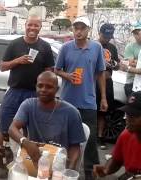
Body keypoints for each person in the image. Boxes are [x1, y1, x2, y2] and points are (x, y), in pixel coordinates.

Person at [0, 15, 55, 177]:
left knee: (32, 132)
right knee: (5, 128)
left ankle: (29, 164)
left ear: (40, 28)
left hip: (34, 95)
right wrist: (18, 61)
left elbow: (50, 70)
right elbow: (2, 67)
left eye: (36, 26)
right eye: (30, 25)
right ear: (25, 25)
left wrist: (45, 87)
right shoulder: (15, 44)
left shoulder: (45, 47)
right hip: (14, 91)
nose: (33, 28)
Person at [55, 16, 107, 179]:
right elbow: (56, 70)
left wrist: (103, 98)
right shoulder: (65, 48)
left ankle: (90, 173)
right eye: (76, 28)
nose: (78, 31)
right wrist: (67, 76)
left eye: (82, 28)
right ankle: (63, 169)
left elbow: (100, 74)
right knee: (64, 137)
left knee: (90, 140)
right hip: (67, 101)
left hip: (88, 101)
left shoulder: (96, 48)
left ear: (88, 30)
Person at [9, 71, 86, 169]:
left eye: (49, 87)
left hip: (58, 164)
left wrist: (68, 170)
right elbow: (12, 129)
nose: (43, 90)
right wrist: (25, 142)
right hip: (33, 159)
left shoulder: (71, 113)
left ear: (57, 89)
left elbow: (75, 147)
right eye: (40, 86)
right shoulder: (28, 105)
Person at [93, 91, 141, 179]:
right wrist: (106, 170)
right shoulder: (126, 135)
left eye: (134, 115)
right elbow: (117, 159)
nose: (128, 119)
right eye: (127, 114)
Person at [96, 23, 120, 150]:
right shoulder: (93, 45)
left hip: (108, 82)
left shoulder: (112, 47)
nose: (107, 38)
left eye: (109, 36)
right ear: (99, 33)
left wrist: (113, 64)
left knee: (103, 112)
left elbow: (117, 65)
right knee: (90, 110)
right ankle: (89, 136)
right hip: (93, 83)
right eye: (105, 35)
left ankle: (100, 137)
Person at [121, 23, 141, 97]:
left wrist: (135, 62)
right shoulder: (130, 47)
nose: (136, 35)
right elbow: (126, 64)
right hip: (131, 83)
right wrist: (136, 63)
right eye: (134, 33)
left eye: (138, 33)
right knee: (132, 107)